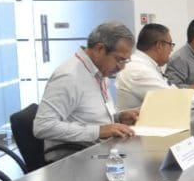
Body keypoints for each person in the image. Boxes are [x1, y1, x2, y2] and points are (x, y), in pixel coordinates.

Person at [34, 22, 139, 161]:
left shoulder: (99, 72)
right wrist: (99, 131)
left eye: (125, 61)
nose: (121, 67)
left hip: (98, 150)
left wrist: (118, 118)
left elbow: (88, 116)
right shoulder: (69, 76)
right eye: (119, 60)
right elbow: (43, 126)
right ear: (99, 49)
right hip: (72, 159)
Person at [115, 23, 176, 109]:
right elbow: (173, 98)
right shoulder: (138, 69)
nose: (171, 50)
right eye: (170, 45)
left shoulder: (145, 64)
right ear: (160, 45)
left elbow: (172, 91)